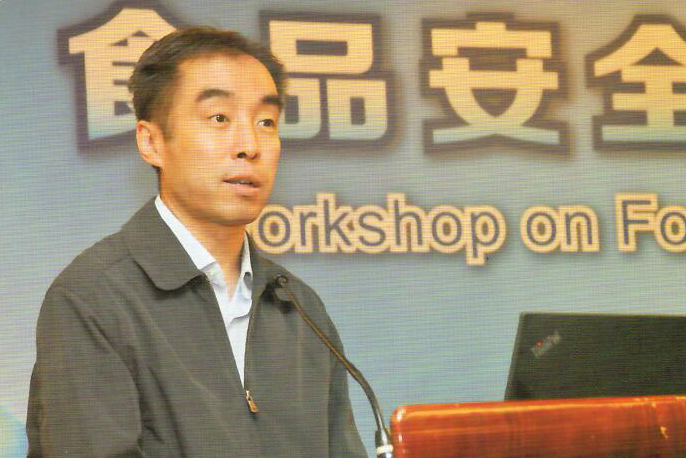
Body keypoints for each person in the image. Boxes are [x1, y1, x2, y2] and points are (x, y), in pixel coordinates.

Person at [26, 27, 367, 458]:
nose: (249, 146)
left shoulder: (298, 307)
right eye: (219, 118)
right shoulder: (93, 298)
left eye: (266, 122)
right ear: (152, 142)